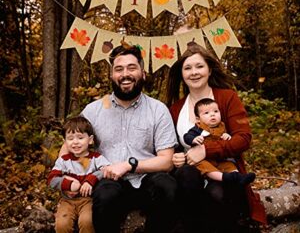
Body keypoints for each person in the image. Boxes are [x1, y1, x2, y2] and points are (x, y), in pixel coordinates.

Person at [60, 45, 178, 233]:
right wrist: (66, 177)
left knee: (167, 186)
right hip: (109, 182)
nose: (125, 74)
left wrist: (129, 165)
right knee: (106, 194)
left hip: (147, 179)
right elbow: (68, 146)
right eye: (119, 69)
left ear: (143, 73)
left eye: (132, 68)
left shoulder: (158, 110)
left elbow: (166, 161)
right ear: (111, 76)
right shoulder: (93, 110)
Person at [166, 44, 267, 232]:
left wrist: (207, 150)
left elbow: (243, 138)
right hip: (190, 178)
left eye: (199, 66)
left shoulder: (227, 97)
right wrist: (176, 156)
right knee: (187, 178)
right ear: (181, 74)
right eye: (187, 68)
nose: (194, 72)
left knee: (217, 194)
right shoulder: (175, 109)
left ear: (209, 70)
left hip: (223, 172)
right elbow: (173, 146)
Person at [48, 116, 110, 233]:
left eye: (80, 138)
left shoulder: (95, 158)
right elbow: (52, 180)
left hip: (88, 200)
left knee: (87, 222)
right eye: (70, 139)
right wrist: (68, 184)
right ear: (65, 142)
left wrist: (90, 179)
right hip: (67, 201)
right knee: (62, 224)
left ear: (90, 140)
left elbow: (106, 169)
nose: (75, 142)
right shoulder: (63, 160)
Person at [184, 97, 256, 186]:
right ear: (198, 119)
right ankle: (223, 177)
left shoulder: (222, 126)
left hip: (220, 159)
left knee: (229, 165)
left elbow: (228, 140)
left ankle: (238, 177)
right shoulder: (198, 129)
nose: (212, 115)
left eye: (216, 111)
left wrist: (227, 136)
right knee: (206, 167)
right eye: (206, 113)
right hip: (204, 159)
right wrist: (193, 139)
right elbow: (187, 136)